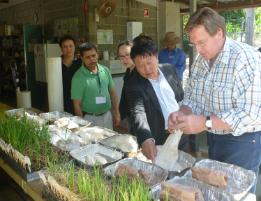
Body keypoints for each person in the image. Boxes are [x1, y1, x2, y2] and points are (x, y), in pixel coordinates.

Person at [168, 7, 261, 193]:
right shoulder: (201, 60)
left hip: (242, 141)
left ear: (219, 33)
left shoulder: (247, 59)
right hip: (213, 136)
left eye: (201, 42)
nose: (198, 50)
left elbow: (251, 115)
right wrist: (183, 113)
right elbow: (193, 97)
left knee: (236, 194)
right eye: (194, 44)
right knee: (215, 191)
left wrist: (204, 122)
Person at [126, 35, 186, 161]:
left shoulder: (169, 70)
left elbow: (180, 97)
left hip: (182, 130)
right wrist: (146, 138)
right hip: (159, 137)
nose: (146, 69)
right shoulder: (133, 84)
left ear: (157, 57)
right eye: (140, 66)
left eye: (149, 63)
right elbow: (138, 111)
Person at [71, 42, 120, 129]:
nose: (92, 59)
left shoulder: (105, 70)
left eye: (94, 55)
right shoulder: (78, 77)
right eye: (88, 57)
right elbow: (76, 105)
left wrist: (116, 113)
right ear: (82, 58)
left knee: (109, 141)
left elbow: (113, 93)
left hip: (107, 115)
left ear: (97, 54)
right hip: (90, 119)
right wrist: (82, 125)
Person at [59, 35, 82, 114]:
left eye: (70, 46)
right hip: (62, 101)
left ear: (75, 47)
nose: (68, 49)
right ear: (61, 48)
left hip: (79, 102)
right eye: (65, 47)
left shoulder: (81, 64)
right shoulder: (56, 64)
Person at [117, 41, 135, 133]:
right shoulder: (128, 71)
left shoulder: (140, 73)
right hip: (128, 117)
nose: (124, 59)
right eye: (121, 56)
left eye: (127, 55)